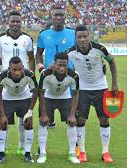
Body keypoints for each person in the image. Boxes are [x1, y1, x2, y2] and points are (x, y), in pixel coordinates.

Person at [66, 24, 118, 163]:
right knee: (81, 120)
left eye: (85, 36)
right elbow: (59, 64)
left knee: (104, 120)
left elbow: (112, 61)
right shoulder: (70, 52)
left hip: (101, 88)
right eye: (79, 37)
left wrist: (114, 83)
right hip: (82, 90)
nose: (82, 39)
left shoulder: (99, 48)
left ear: (89, 36)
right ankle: (82, 151)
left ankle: (105, 152)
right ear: (75, 38)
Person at [0, 10, 35, 155]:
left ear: (21, 22)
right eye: (13, 21)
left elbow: (31, 58)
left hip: (23, 79)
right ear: (8, 22)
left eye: (18, 21)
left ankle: (22, 146)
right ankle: (2, 150)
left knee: (24, 118)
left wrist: (30, 76)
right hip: (6, 81)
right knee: (4, 117)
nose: (15, 24)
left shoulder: (27, 39)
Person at [36, 6, 75, 128]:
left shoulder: (72, 33)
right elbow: (38, 53)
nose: (58, 17)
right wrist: (41, 67)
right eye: (56, 15)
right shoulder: (44, 34)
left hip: (68, 75)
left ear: (65, 17)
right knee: (47, 100)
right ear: (51, 17)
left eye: (61, 15)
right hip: (49, 75)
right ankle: (49, 119)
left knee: (71, 104)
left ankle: (73, 124)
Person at [36, 52, 80, 164]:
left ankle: (72, 153)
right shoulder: (45, 74)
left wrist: (72, 114)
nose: (62, 68)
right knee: (43, 122)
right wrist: (44, 114)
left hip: (64, 98)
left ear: (68, 64)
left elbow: (75, 94)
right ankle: (42, 153)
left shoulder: (74, 75)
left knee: (72, 122)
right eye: (59, 65)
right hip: (48, 97)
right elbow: (40, 93)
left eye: (64, 65)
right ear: (54, 64)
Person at [0, 56, 38, 163]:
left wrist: (30, 111)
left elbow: (35, 92)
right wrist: (2, 113)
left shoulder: (29, 75)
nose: (17, 72)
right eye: (14, 69)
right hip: (7, 99)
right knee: (3, 123)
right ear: (9, 68)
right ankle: (1, 153)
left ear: (23, 67)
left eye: (20, 69)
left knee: (28, 123)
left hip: (24, 99)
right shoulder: (2, 76)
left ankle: (27, 153)